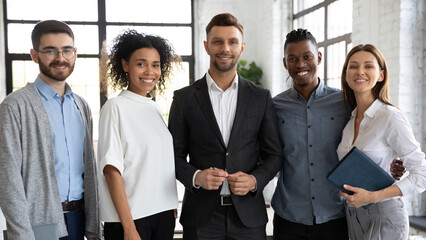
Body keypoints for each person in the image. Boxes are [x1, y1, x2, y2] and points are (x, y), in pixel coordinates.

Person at [271, 29, 406, 240]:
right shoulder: (274, 106)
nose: (300, 64)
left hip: (336, 216)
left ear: (319, 57)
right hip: (289, 217)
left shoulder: (345, 102)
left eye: (307, 56)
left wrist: (391, 161)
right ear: (284, 63)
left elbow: (370, 133)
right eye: (292, 58)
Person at [168, 13, 283, 239]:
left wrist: (254, 181)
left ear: (242, 47)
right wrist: (196, 177)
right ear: (206, 46)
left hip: (248, 218)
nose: (225, 48)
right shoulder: (184, 99)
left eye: (232, 42)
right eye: (217, 41)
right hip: (201, 219)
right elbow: (172, 156)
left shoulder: (261, 98)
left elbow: (275, 155)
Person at [0, 20, 99, 239]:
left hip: (79, 219)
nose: (60, 58)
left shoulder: (81, 106)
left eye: (66, 50)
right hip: (38, 223)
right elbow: (8, 180)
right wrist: (22, 234)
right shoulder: (15, 106)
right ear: (34, 55)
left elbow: (88, 170)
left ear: (75, 53)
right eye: (50, 51)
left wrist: (92, 227)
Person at [337, 44, 426, 240]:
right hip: (353, 215)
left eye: (368, 66)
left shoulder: (390, 116)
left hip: (384, 214)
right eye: (353, 66)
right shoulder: (349, 122)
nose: (360, 71)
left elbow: (422, 175)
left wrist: (372, 197)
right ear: (346, 75)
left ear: (381, 75)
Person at [97, 29, 179, 240]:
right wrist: (129, 227)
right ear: (125, 65)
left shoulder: (154, 108)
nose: (149, 72)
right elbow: (111, 170)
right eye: (141, 64)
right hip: (132, 221)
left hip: (162, 216)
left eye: (155, 64)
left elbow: (157, 163)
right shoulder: (115, 107)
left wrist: (169, 203)